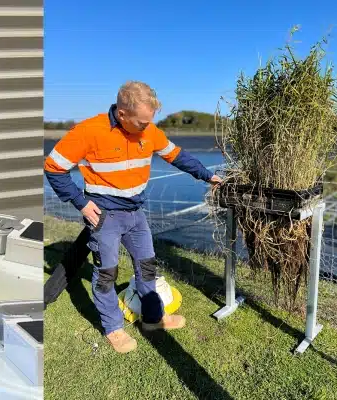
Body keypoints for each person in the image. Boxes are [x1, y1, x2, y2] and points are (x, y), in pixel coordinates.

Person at [43, 81, 222, 353]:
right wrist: (80, 202)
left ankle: (153, 318)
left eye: (150, 121)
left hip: (136, 214)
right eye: (141, 122)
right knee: (106, 274)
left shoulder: (149, 130)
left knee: (147, 266)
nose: (147, 127)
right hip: (105, 217)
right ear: (122, 114)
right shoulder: (89, 131)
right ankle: (113, 328)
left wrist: (208, 175)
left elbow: (176, 156)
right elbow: (53, 167)